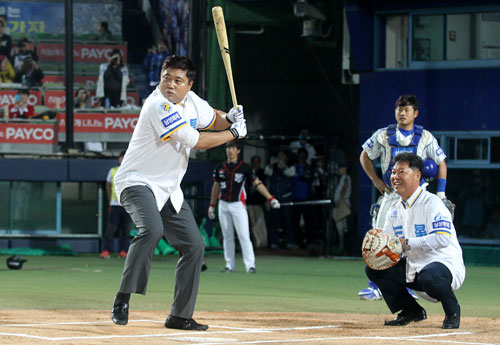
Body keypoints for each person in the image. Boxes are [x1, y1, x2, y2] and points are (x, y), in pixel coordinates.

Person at [110, 55, 247, 331]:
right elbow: (195, 140)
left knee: (194, 245)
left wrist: (230, 118)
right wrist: (233, 133)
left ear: (189, 84)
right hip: (136, 181)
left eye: (177, 80)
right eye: (166, 78)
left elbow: (213, 119)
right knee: (152, 229)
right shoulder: (157, 105)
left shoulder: (193, 102)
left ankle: (179, 315)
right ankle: (122, 298)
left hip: (169, 189)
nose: (170, 84)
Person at [358, 94, 448, 300]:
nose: (402, 113)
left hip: (418, 197)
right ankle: (375, 284)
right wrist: (375, 181)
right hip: (391, 195)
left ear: (415, 113)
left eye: (407, 110)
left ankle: (408, 284)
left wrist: (441, 193)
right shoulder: (383, 134)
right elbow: (364, 154)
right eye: (399, 109)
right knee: (379, 237)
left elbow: (441, 162)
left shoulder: (425, 137)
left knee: (412, 240)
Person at [366, 152, 465, 329]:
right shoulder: (394, 208)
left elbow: (442, 239)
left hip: (444, 267)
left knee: (430, 275)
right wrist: (377, 249)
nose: (395, 177)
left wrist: (406, 243)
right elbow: (390, 243)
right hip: (415, 269)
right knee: (375, 268)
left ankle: (452, 311)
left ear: (417, 175)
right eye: (393, 173)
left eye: (401, 172)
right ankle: (411, 310)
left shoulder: (433, 203)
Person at [208, 141, 279, 273]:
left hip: (238, 205)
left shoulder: (244, 167)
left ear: (238, 151)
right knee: (227, 236)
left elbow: (257, 183)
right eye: (228, 148)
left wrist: (270, 198)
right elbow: (215, 186)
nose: (229, 151)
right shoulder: (220, 167)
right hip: (223, 204)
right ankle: (229, 265)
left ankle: (250, 265)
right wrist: (212, 205)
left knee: (244, 235)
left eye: (232, 148)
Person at [101, 150, 132, 259]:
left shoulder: (132, 172)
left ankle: (123, 251)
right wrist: (110, 200)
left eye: (125, 157)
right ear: (119, 159)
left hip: (127, 206)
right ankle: (105, 251)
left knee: (126, 230)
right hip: (114, 205)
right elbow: (108, 185)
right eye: (121, 157)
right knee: (111, 229)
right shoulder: (113, 171)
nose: (122, 159)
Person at [264, 150, 295, 249]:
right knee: (274, 221)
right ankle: (274, 243)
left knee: (288, 220)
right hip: (275, 198)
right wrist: (271, 165)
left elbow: (290, 174)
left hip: (286, 197)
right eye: (279, 157)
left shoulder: (290, 167)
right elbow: (267, 172)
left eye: (282, 157)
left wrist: (284, 165)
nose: (280, 159)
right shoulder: (273, 167)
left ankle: (289, 242)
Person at [291, 148, 316, 249]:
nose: (301, 158)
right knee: (295, 222)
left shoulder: (309, 168)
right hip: (296, 198)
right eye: (300, 156)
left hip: (307, 198)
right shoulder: (293, 167)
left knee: (309, 222)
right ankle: (298, 242)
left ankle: (310, 242)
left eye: (303, 156)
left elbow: (308, 178)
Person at [246, 155, 268, 248]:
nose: (256, 163)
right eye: (254, 161)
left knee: (259, 225)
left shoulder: (262, 173)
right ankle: (251, 244)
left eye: (258, 161)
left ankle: (260, 244)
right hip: (248, 204)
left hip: (259, 204)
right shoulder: (247, 172)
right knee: (249, 225)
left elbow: (264, 187)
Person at [333, 163, 351, 251]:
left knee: (341, 225)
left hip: (343, 202)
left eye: (341, 168)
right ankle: (343, 245)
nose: (339, 170)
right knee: (341, 224)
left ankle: (343, 245)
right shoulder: (343, 177)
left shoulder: (345, 177)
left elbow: (344, 188)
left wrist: (339, 200)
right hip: (342, 201)